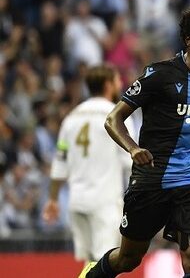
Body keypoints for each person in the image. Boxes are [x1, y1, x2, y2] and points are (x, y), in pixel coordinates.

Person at [79, 6, 190, 278]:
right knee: (128, 259)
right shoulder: (159, 75)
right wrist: (133, 148)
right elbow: (113, 119)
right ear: (189, 40)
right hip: (152, 179)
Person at [43, 65, 134, 266]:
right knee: (104, 264)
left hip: (77, 201)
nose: (120, 84)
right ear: (108, 85)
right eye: (117, 80)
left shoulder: (71, 118)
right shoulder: (117, 116)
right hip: (105, 202)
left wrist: (53, 199)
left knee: (90, 262)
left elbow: (60, 162)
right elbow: (130, 162)